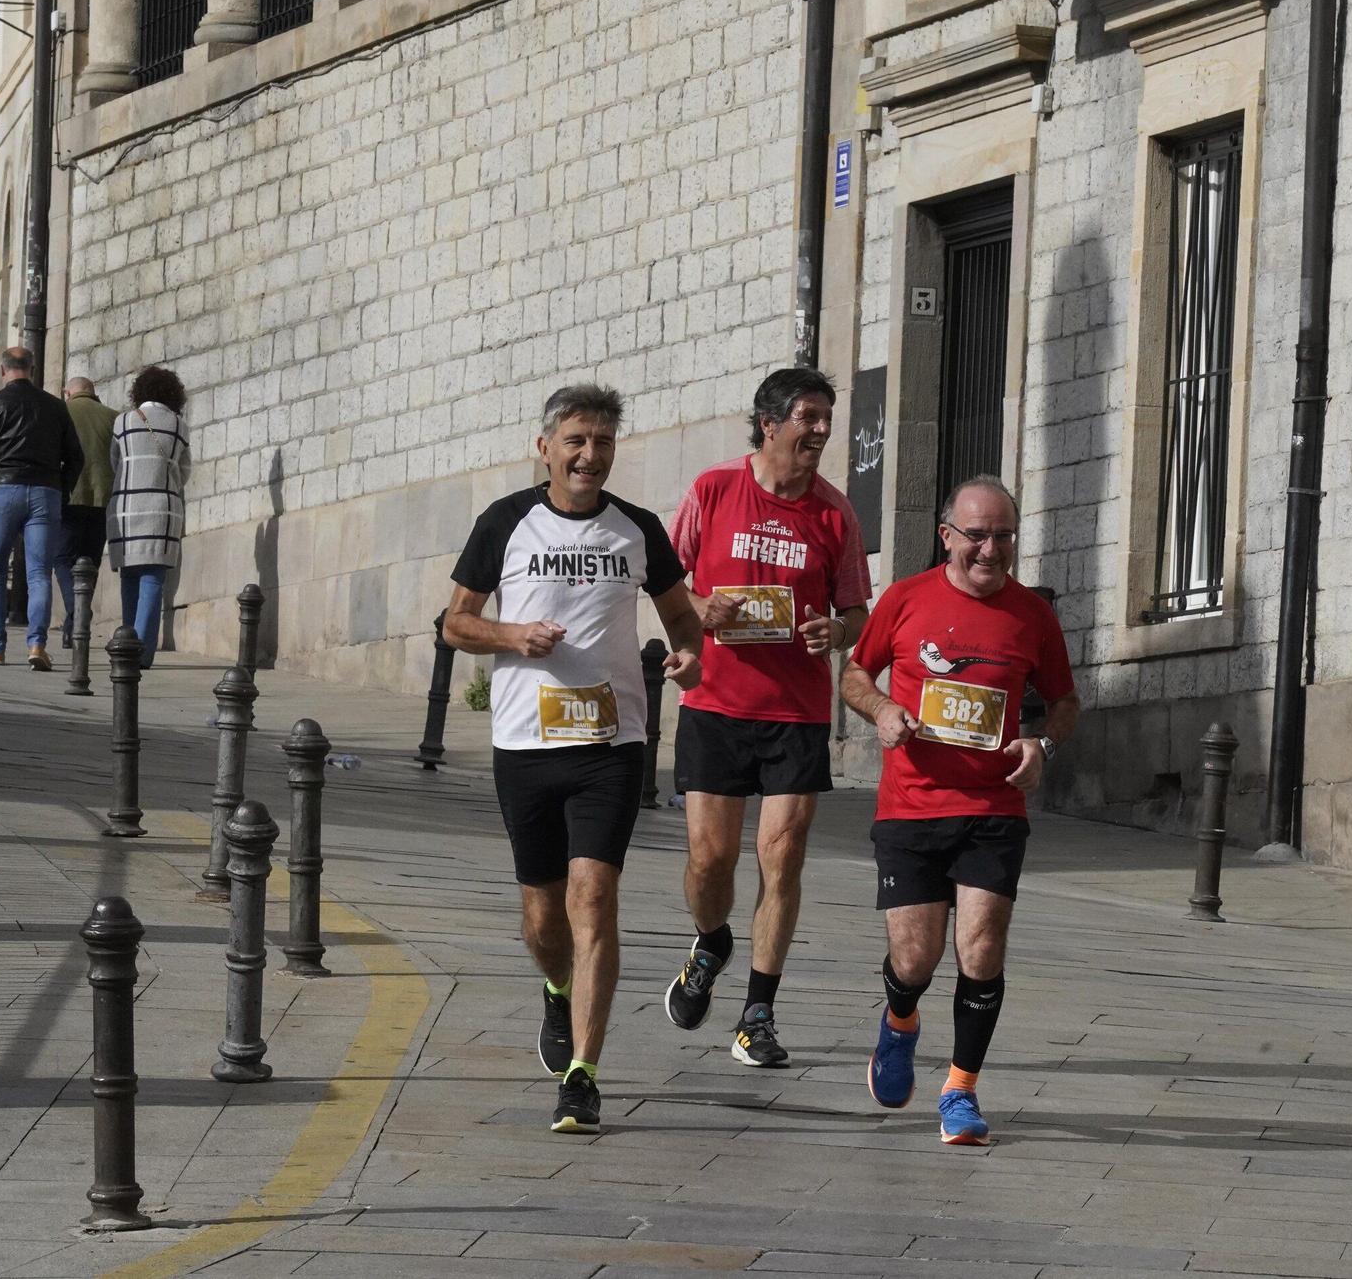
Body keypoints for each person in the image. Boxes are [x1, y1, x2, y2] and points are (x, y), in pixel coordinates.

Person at [443, 385, 703, 1134]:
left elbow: (680, 614)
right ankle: (556, 987)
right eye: (578, 441)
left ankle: (583, 1075)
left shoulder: (638, 530)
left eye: (604, 442)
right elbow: (456, 622)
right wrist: (512, 636)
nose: (591, 455)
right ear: (546, 446)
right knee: (542, 916)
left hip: (611, 745)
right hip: (525, 745)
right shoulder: (506, 522)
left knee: (593, 897)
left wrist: (688, 655)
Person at [839, 476, 1079, 1147]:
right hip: (911, 805)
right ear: (947, 536)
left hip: (993, 806)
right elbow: (855, 673)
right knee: (916, 956)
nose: (990, 548)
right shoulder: (907, 599)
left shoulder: (1032, 613)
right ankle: (900, 1016)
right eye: (977, 534)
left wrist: (1043, 744)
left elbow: (1064, 700)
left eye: (1003, 535)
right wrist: (884, 710)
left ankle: (961, 1088)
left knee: (981, 946)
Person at [662, 367, 872, 1069]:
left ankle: (758, 1012)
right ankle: (712, 940)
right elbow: (669, 587)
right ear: (769, 423)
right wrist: (701, 610)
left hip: (796, 711)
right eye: (808, 416)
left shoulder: (835, 513)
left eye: (826, 418)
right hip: (716, 703)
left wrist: (835, 635)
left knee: (782, 855)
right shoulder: (713, 489)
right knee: (709, 861)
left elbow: (856, 611)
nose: (820, 430)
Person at [0, 347, 83, 669]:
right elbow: (75, 456)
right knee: (38, 573)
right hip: (46, 490)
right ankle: (36, 645)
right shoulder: (56, 407)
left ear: (4, 370)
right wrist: (61, 488)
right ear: (32, 368)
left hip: (5, 486)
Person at [107, 366, 191, 667]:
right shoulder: (179, 426)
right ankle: (141, 652)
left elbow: (115, 463)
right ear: (173, 394)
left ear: (138, 392)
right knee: (154, 579)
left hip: (127, 508)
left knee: (129, 576)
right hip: (164, 510)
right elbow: (184, 472)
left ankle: (127, 643)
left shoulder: (123, 422)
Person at [53, 377, 118, 645]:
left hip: (69, 496)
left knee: (62, 559)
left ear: (67, 392)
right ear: (93, 392)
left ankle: (77, 613)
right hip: (103, 499)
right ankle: (75, 628)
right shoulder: (114, 417)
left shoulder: (60, 412)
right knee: (90, 563)